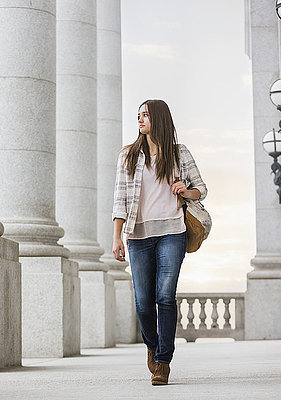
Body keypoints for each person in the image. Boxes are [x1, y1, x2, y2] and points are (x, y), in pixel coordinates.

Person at [111, 99, 207, 386]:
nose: (139, 120)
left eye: (145, 115)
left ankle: (163, 362)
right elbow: (120, 199)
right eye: (138, 115)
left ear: (160, 119)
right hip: (138, 236)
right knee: (143, 301)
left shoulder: (179, 153)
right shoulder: (128, 156)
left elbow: (201, 189)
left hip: (172, 232)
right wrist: (116, 236)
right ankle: (151, 346)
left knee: (165, 296)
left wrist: (185, 190)